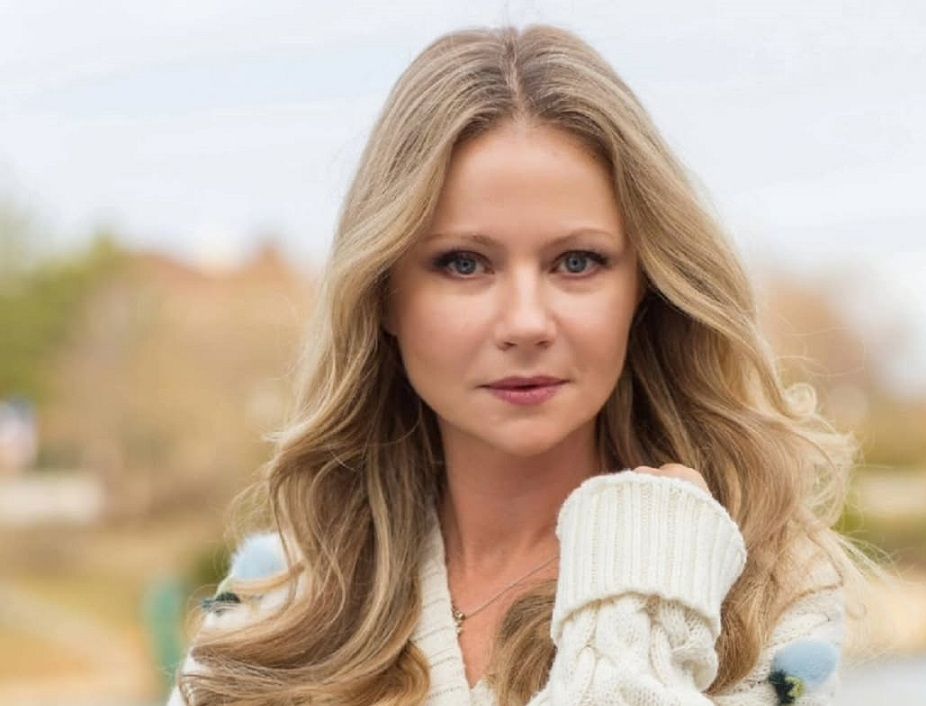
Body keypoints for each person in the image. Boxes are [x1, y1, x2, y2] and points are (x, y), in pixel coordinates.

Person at [167, 23, 882, 706]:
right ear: (382, 293)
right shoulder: (276, 599)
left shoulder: (764, 592)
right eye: (463, 263)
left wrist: (639, 596)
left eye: (577, 262)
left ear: (645, 286)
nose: (526, 323)